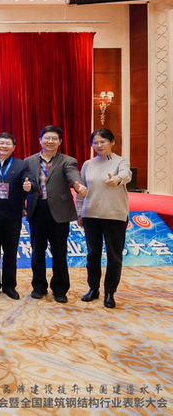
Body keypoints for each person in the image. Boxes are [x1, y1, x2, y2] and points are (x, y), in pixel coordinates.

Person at [25, 125, 87, 304]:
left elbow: (73, 175)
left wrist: (78, 185)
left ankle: (60, 289)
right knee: (37, 251)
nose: (50, 141)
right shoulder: (29, 161)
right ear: (40, 140)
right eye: (46, 138)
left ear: (60, 141)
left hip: (59, 212)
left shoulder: (67, 161)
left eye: (54, 138)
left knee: (59, 252)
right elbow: (26, 183)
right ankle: (39, 286)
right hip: (37, 210)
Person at [77, 129, 131, 309]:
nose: (99, 145)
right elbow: (81, 190)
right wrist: (79, 212)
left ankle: (110, 292)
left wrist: (117, 179)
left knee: (114, 257)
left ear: (112, 142)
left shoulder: (120, 162)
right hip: (91, 215)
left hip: (115, 216)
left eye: (103, 141)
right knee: (93, 255)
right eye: (95, 142)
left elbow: (126, 175)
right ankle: (93, 289)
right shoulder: (88, 164)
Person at [0, 133, 37, 300]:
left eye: (8, 144)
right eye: (1, 143)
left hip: (12, 216)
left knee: (10, 252)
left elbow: (32, 184)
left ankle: (9, 286)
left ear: (14, 147)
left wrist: (29, 186)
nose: (4, 146)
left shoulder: (21, 164)